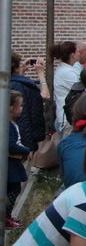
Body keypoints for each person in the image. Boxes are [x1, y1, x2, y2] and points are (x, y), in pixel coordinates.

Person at [10, 51, 49, 150]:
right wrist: (40, 73)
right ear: (16, 66)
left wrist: (20, 73)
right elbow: (45, 96)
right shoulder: (26, 86)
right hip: (23, 139)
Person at [7, 91, 30, 229]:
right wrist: (26, 150)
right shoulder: (7, 125)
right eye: (20, 105)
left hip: (13, 163)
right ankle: (5, 216)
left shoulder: (12, 123)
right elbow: (9, 144)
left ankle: (8, 216)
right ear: (11, 107)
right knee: (12, 190)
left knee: (14, 189)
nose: (22, 108)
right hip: (9, 166)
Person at [52, 40, 80, 131]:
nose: (79, 54)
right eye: (77, 52)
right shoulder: (67, 72)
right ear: (72, 54)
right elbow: (80, 89)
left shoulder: (67, 69)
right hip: (67, 120)